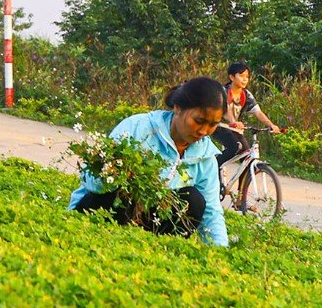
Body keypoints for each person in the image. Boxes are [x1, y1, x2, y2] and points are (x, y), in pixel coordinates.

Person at [67, 76, 231, 247]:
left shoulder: (205, 156)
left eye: (213, 125)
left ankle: (152, 248)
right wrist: (112, 174)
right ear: (178, 108)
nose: (204, 131)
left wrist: (220, 252)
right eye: (199, 121)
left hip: (148, 225)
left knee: (194, 201)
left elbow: (211, 212)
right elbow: (89, 179)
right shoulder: (138, 127)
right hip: (106, 211)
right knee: (121, 189)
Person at [212, 61, 278, 169]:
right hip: (219, 127)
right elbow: (226, 109)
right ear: (232, 77)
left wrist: (271, 125)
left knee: (247, 158)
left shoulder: (246, 95)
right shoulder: (223, 92)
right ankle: (213, 167)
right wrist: (233, 121)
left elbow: (258, 112)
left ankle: (243, 186)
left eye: (247, 77)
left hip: (234, 129)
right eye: (242, 76)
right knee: (235, 147)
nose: (245, 79)